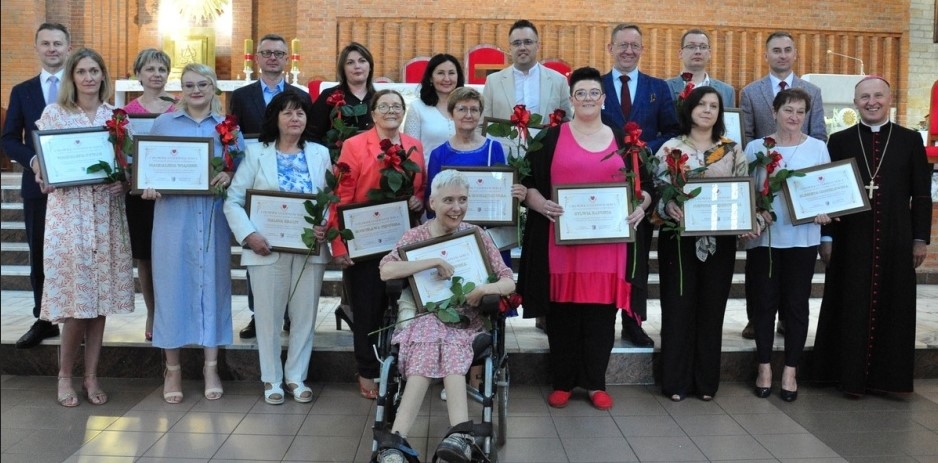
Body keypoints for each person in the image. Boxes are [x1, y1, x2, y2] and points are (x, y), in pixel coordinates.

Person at [518, 67, 651, 411]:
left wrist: (641, 208)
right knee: (562, 314)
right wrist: (539, 203)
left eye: (594, 92)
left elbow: (645, 187)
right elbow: (526, 182)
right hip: (560, 242)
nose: (588, 98)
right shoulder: (550, 138)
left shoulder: (624, 140)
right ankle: (563, 382)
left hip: (608, 246)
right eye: (581, 93)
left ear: (603, 98)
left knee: (600, 315)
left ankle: (595, 383)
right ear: (571, 99)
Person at [375, 170, 515, 463]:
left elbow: (508, 280)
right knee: (431, 331)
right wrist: (432, 261)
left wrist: (484, 289)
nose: (456, 207)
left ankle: (396, 442)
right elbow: (386, 270)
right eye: (448, 200)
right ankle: (460, 435)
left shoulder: (476, 235)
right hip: (425, 319)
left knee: (445, 338)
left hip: (466, 321)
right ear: (432, 203)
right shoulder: (416, 236)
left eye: (462, 200)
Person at [813, 75, 932, 397]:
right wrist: (827, 238)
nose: (872, 102)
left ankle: (887, 380)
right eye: (864, 97)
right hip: (850, 239)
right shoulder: (839, 140)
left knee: (894, 306)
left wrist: (920, 238)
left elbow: (922, 194)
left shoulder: (909, 140)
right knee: (848, 304)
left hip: (896, 237)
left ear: (889, 99)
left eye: (878, 95)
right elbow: (826, 193)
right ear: (855, 103)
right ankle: (845, 377)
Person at [31, 47, 135, 407]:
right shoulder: (55, 114)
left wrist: (124, 182)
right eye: (81, 72)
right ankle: (64, 376)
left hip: (106, 215)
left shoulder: (116, 117)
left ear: (103, 75)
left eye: (94, 71)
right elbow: (44, 160)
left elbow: (126, 166)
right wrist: (42, 171)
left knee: (99, 302)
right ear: (71, 77)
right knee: (77, 304)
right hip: (69, 217)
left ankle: (91, 376)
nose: (89, 77)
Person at [143, 63, 243, 404]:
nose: (196, 90)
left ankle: (211, 367)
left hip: (212, 218)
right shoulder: (164, 123)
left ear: (214, 87)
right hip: (173, 217)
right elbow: (148, 164)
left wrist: (229, 176)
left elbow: (240, 168)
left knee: (213, 288)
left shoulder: (228, 127)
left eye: (202, 84)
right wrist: (148, 185)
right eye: (189, 85)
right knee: (171, 288)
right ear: (181, 89)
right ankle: (172, 369)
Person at [224, 92, 329, 405]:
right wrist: (249, 235)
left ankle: (296, 377)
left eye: (300, 113)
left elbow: (329, 199)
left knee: (304, 316)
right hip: (265, 248)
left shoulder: (320, 153)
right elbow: (233, 200)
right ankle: (271, 378)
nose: (295, 118)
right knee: (268, 318)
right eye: (287, 113)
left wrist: (324, 224)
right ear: (275, 118)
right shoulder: (256, 153)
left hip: (308, 249)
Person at [328, 89, 425, 399]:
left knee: (405, 309)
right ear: (372, 113)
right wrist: (340, 245)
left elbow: (420, 191)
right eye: (384, 106)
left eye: (396, 106)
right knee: (367, 310)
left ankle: (402, 367)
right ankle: (367, 370)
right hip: (365, 243)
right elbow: (341, 197)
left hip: (404, 242)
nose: (391, 111)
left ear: (403, 112)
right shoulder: (355, 146)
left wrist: (418, 200)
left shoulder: (414, 146)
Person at [655, 86, 747, 402]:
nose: (707, 110)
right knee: (677, 307)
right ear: (689, 109)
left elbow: (743, 193)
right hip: (677, 240)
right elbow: (657, 190)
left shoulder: (732, 150)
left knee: (712, 308)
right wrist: (667, 205)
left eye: (714, 106)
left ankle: (706, 383)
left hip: (720, 242)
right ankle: (675, 382)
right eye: (701, 105)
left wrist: (747, 219)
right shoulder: (670, 148)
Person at [744, 88, 831, 403]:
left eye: (800, 112)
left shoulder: (818, 148)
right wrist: (754, 214)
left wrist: (825, 211)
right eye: (788, 110)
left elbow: (826, 190)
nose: (794, 117)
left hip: (802, 239)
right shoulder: (756, 147)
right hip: (764, 240)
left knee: (796, 306)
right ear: (774, 112)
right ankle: (764, 367)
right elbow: (746, 192)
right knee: (764, 305)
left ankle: (790, 371)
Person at [738, 30, 826, 339]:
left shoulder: (812, 91)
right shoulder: (751, 92)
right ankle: (756, 319)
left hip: (801, 188)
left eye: (788, 49)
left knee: (795, 277)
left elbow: (818, 133)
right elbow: (747, 137)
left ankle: (788, 320)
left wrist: (814, 194)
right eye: (776, 50)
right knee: (760, 270)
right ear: (766, 55)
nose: (783, 55)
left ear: (795, 54)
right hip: (764, 179)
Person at [601, 23, 680, 347]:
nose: (628, 51)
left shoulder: (657, 88)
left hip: (642, 186)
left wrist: (644, 147)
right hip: (603, 184)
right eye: (622, 45)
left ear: (642, 50)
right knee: (606, 256)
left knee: (638, 257)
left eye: (635, 45)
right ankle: (603, 319)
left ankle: (633, 322)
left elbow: (672, 131)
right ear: (610, 48)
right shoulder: (596, 86)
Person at [229, 33, 309, 340]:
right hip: (258, 182)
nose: (273, 58)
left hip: (293, 181)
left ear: (287, 59)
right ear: (257, 58)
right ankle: (258, 313)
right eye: (267, 53)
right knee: (259, 250)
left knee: (292, 251)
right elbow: (233, 136)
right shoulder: (241, 95)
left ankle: (289, 314)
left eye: (278, 53)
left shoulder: (300, 94)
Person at [2, 23, 71, 349]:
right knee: (40, 253)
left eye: (57, 43)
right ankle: (44, 320)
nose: (52, 48)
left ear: (68, 47)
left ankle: (79, 320)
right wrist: (33, 161)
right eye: (46, 43)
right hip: (37, 187)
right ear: (37, 48)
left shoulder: (81, 85)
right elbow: (8, 139)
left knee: (77, 254)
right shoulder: (22, 90)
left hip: (78, 188)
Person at [425, 87, 524, 267]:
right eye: (462, 109)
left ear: (480, 114)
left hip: (490, 237)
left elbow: (502, 195)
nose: (468, 115)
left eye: (474, 109)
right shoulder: (439, 154)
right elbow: (430, 204)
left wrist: (515, 194)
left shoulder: (494, 148)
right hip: (453, 237)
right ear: (451, 113)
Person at [122, 48, 174, 342]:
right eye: (150, 69)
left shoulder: (179, 108)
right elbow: (121, 153)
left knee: (173, 254)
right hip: (140, 194)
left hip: (173, 193)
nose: (156, 74)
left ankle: (172, 311)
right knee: (146, 256)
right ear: (138, 74)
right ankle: (153, 312)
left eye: (162, 69)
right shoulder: (126, 113)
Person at [481, 19, 572, 134]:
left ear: (538, 46)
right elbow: (482, 125)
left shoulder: (559, 81)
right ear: (510, 48)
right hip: (504, 145)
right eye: (517, 43)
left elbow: (568, 124)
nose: (522, 47)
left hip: (547, 145)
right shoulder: (493, 82)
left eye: (528, 42)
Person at [310, 42, 376, 144]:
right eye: (350, 62)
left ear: (370, 66)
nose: (357, 66)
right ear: (343, 69)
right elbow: (313, 133)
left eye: (362, 61)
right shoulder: (329, 96)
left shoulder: (379, 98)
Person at [403, 53, 463, 163]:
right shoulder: (417, 108)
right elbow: (410, 150)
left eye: (451, 73)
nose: (447, 79)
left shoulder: (466, 108)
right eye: (440, 73)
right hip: (429, 171)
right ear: (430, 77)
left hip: (463, 171)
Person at [665, 28, 736, 108]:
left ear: (709, 53)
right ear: (680, 53)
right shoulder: (665, 87)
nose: (698, 51)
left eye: (703, 47)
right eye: (691, 46)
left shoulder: (727, 91)